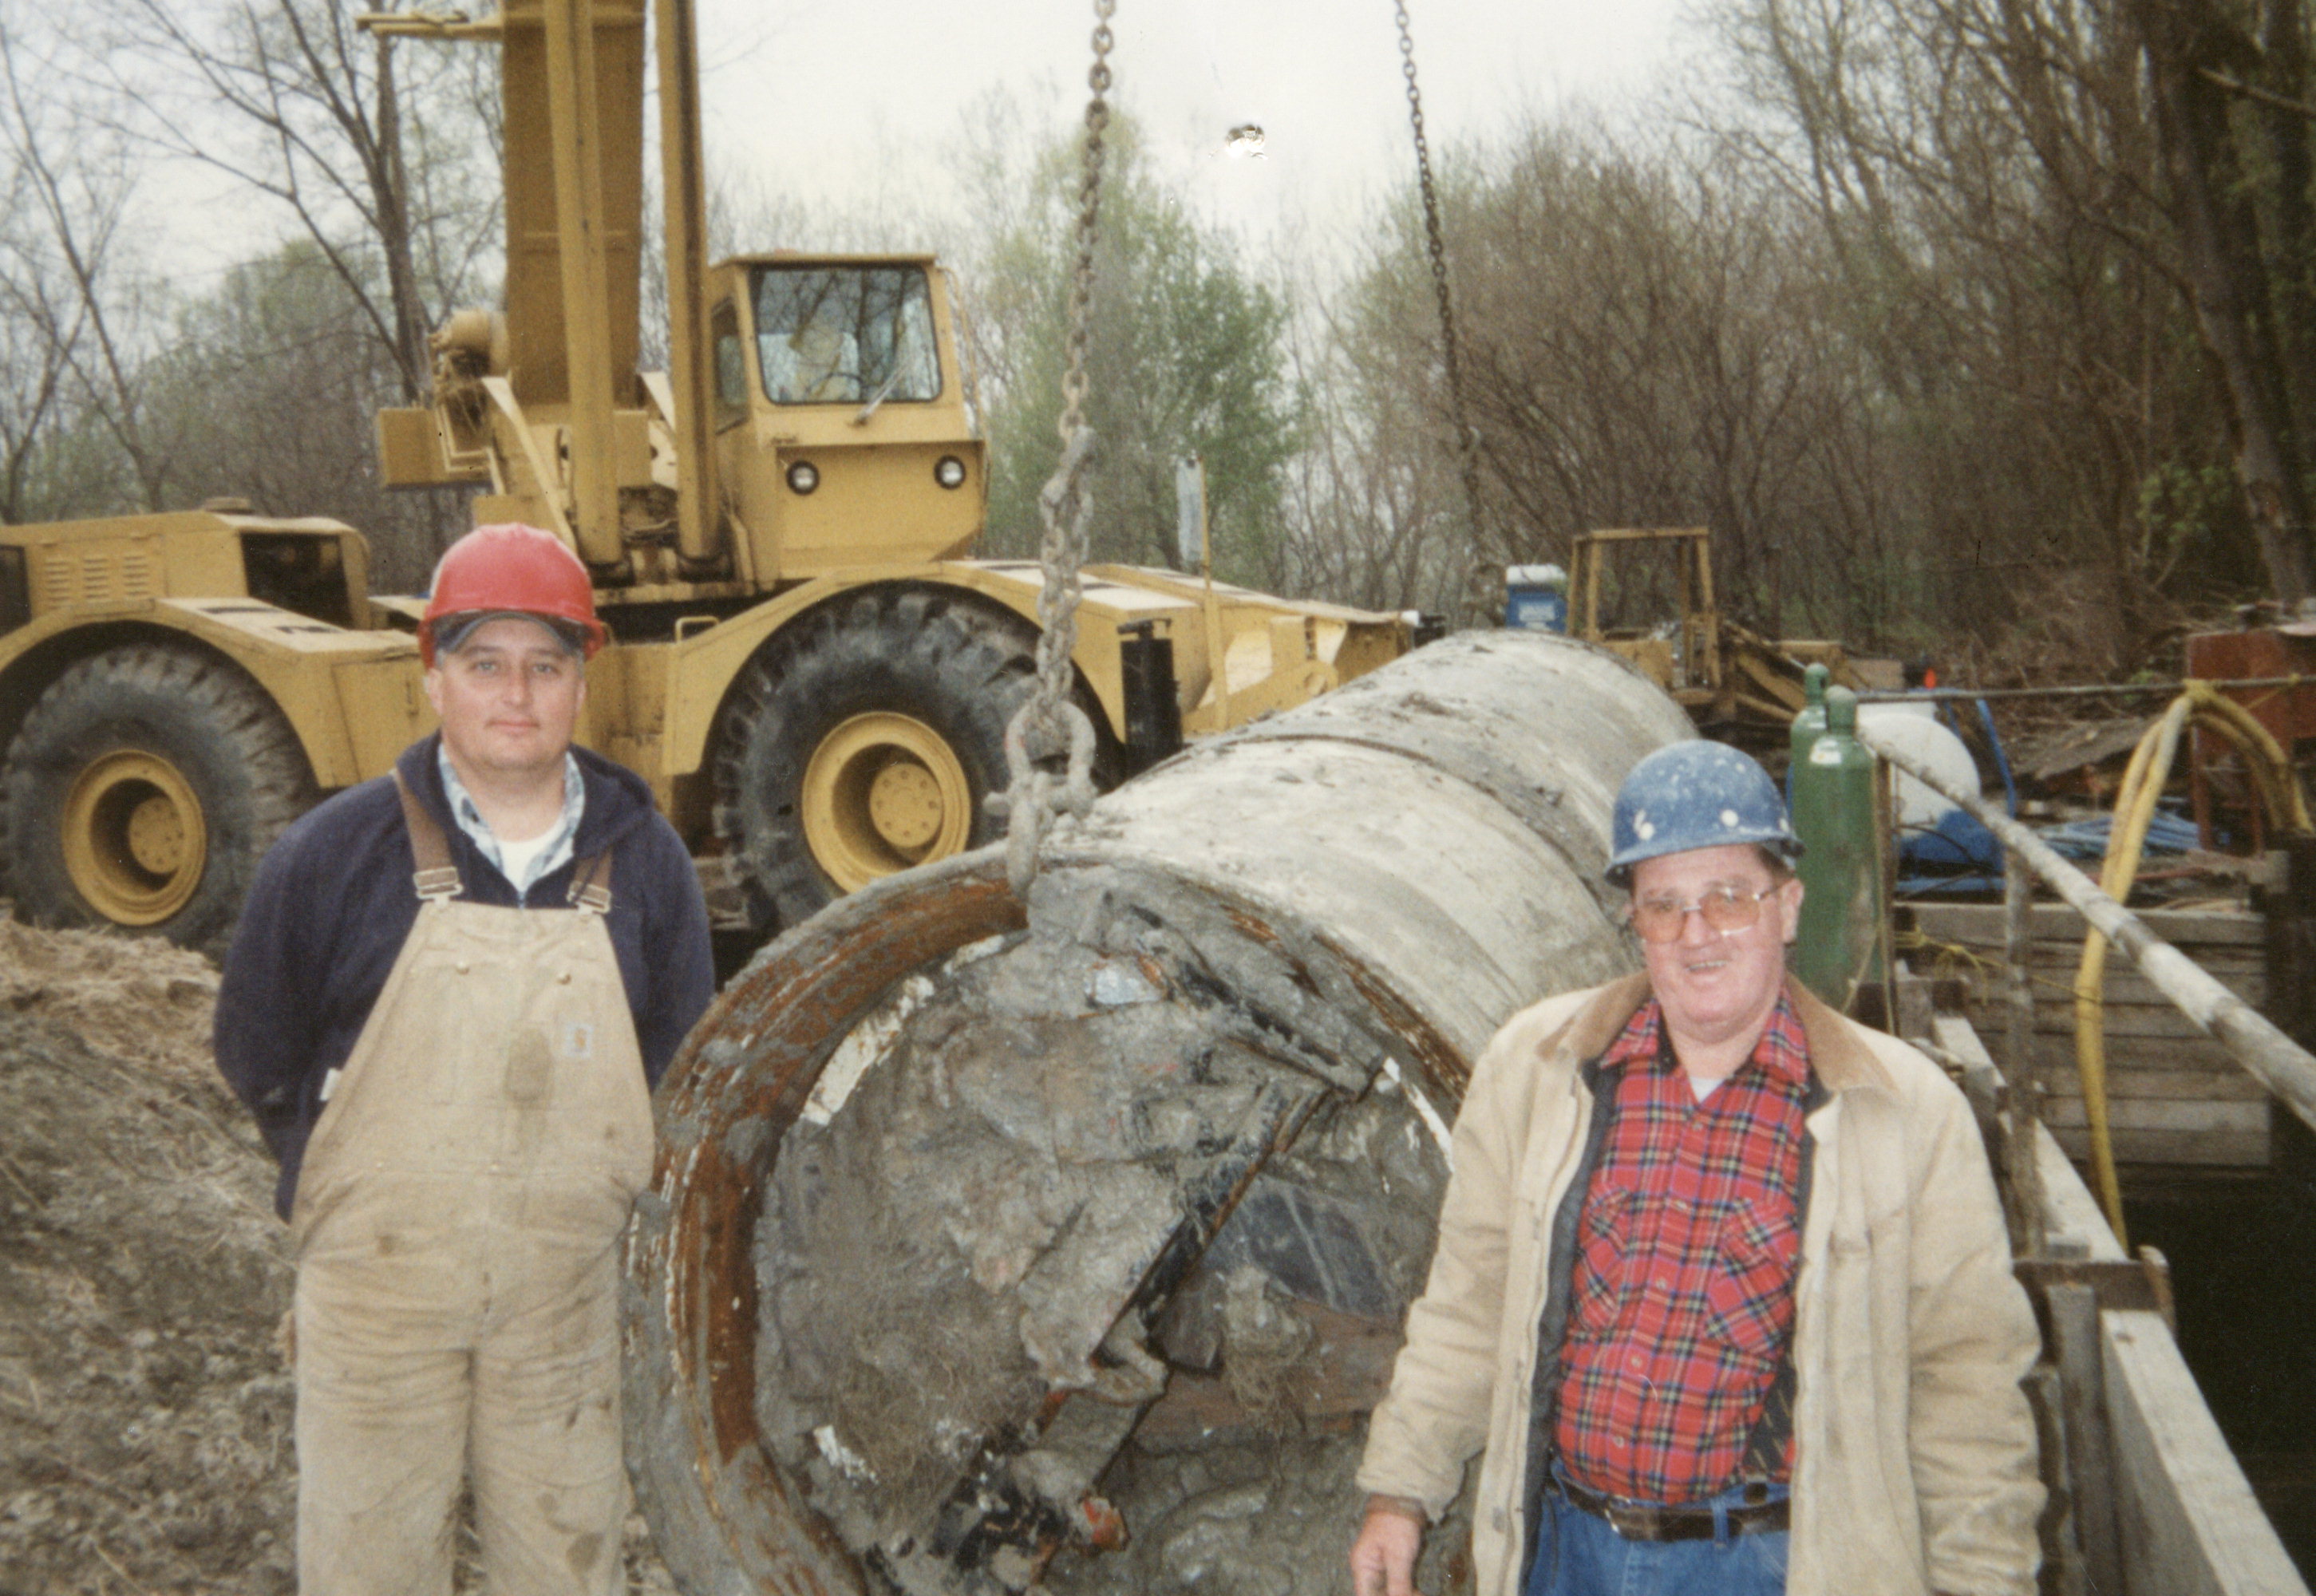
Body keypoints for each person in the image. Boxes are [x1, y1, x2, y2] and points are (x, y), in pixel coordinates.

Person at [1348, 740, 2041, 1596]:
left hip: (1771, 1558)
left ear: (1786, 906)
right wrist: (1399, 1492)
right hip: (1564, 1549)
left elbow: (1967, 1385)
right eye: (1663, 905)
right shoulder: (1539, 1069)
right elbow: (1468, 1301)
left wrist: (1981, 1581)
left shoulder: (1901, 1110)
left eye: (1729, 897)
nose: (1696, 932)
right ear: (1634, 922)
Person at [214, 522, 716, 1596]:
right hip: (377, 1303)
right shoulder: (332, 853)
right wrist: (348, 1175)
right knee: (369, 1566)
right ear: (432, 676)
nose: (516, 694)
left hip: (566, 1309)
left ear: (583, 680)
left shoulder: (649, 862)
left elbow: (681, 1058)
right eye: (484, 663)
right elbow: (255, 1043)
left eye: (546, 665)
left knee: (568, 1566)